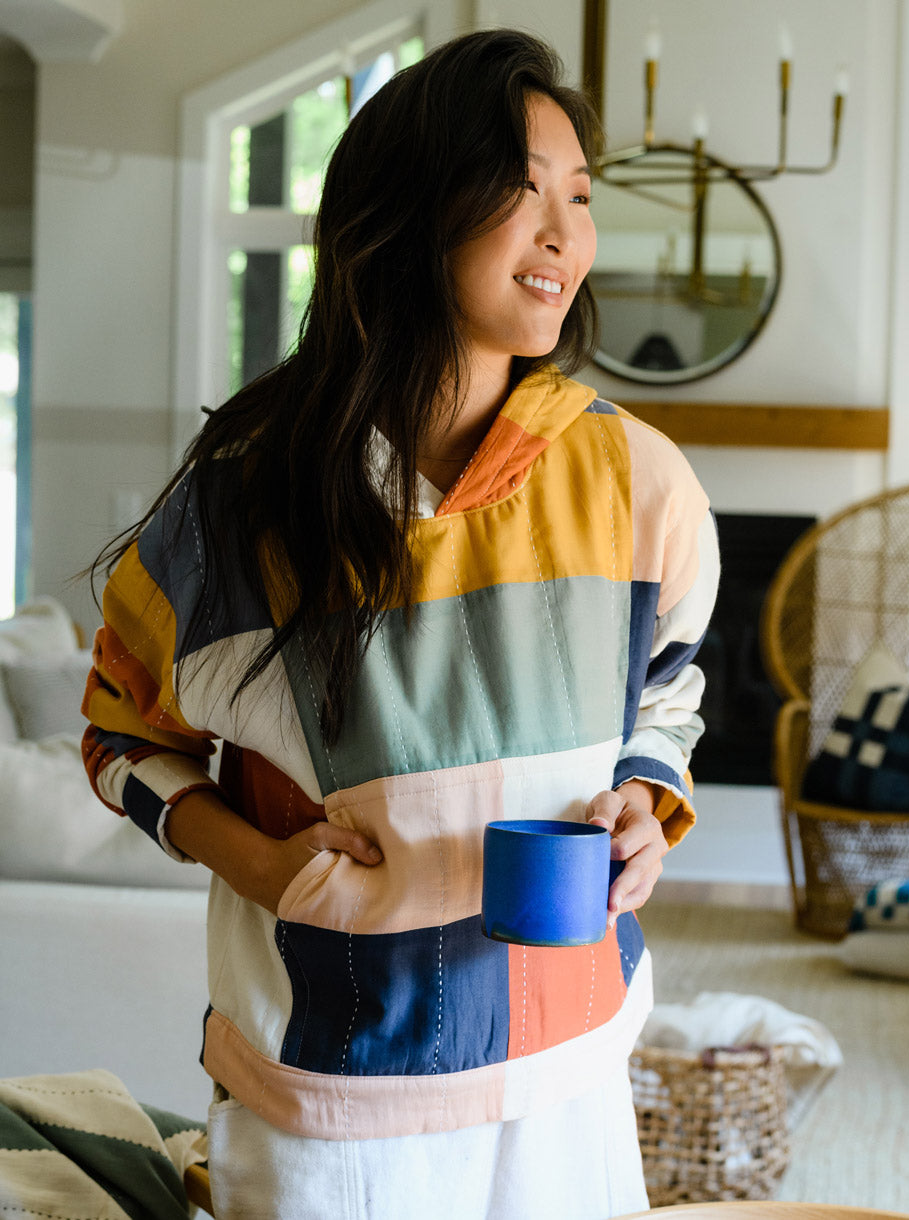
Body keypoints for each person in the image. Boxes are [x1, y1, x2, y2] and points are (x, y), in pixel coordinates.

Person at [82, 28, 719, 1220]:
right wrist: (264, 864)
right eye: (524, 192)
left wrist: (645, 800)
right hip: (327, 1080)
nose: (564, 236)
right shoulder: (240, 503)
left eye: (579, 198)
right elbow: (121, 739)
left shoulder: (639, 481)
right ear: (413, 210)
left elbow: (668, 695)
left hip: (567, 1067)